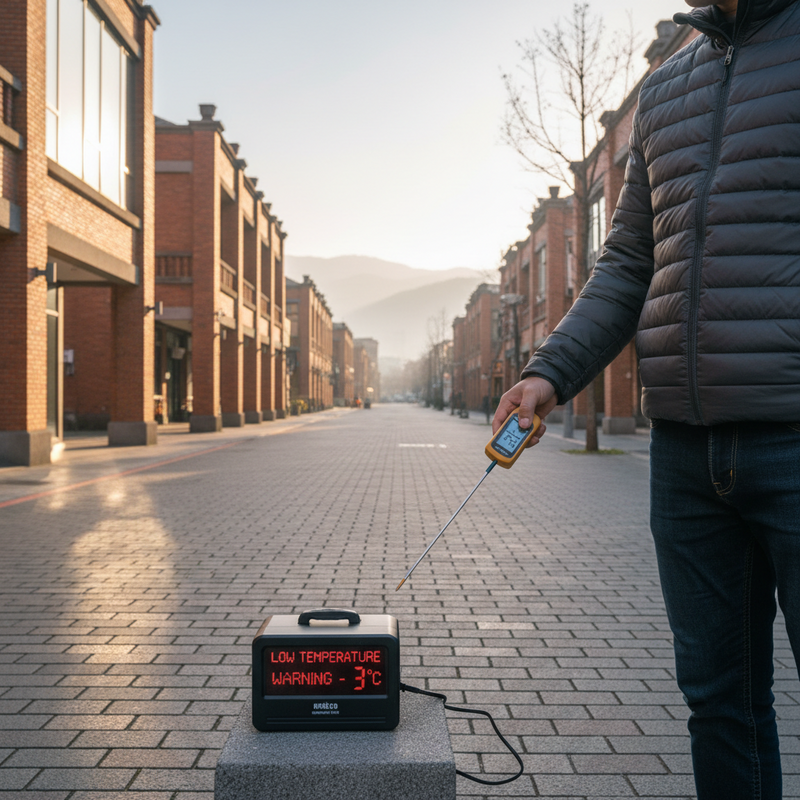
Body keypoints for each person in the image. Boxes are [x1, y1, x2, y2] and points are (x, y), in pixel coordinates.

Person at [493, 1, 800, 797]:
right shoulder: (665, 92)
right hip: (689, 454)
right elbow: (628, 263)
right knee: (718, 701)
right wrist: (549, 371)